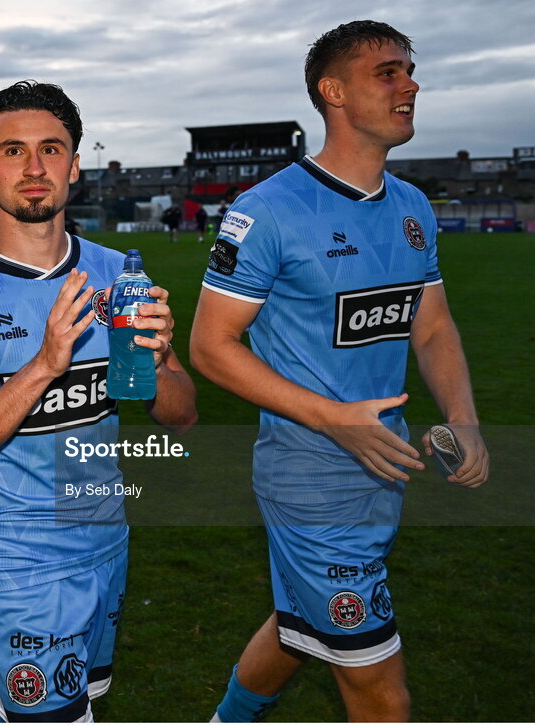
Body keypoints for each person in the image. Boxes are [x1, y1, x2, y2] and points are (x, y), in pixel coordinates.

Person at [189, 21, 489, 722]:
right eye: (387, 72)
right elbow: (210, 347)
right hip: (309, 480)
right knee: (383, 695)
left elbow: (434, 325)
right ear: (333, 92)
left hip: (385, 466)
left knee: (300, 629)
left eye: (409, 70)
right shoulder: (266, 211)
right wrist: (335, 420)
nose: (409, 84)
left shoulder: (413, 209)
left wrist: (464, 418)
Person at [0, 80, 197, 722]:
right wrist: (42, 367)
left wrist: (155, 361)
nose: (34, 168)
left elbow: (180, 413)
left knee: (90, 703)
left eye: (51, 149)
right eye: (13, 151)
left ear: (74, 164)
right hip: (19, 552)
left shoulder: (118, 274)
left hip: (106, 537)